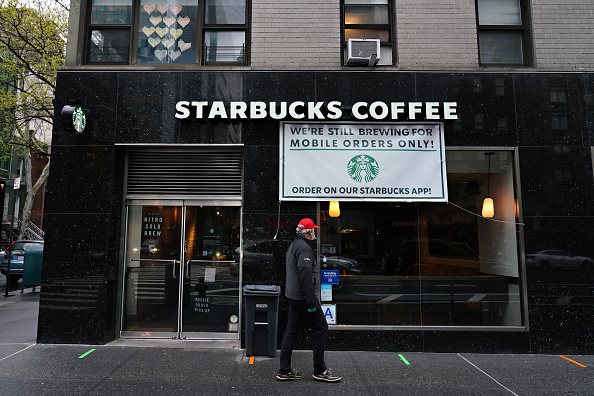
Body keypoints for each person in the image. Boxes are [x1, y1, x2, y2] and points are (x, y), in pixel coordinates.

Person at [276, 218, 342, 383]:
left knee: (291, 331)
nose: (314, 233)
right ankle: (319, 370)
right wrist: (311, 302)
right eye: (313, 230)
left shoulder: (293, 245)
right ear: (308, 232)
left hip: (293, 296)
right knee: (320, 328)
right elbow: (304, 276)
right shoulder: (304, 249)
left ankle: (284, 370)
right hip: (303, 298)